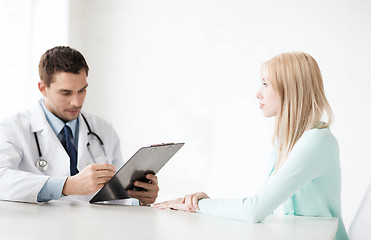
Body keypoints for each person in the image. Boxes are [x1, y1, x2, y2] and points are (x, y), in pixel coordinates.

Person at [154, 52, 348, 240]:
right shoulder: (284, 143)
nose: (258, 93)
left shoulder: (317, 142)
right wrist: (205, 204)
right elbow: (264, 207)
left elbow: (255, 210)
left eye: (265, 84)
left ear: (289, 89)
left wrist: (198, 205)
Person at [0, 46, 158, 205]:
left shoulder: (103, 129)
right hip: (39, 227)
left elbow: (115, 195)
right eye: (66, 93)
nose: (76, 102)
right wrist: (67, 186)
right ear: (43, 88)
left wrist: (138, 198)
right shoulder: (13, 129)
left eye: (82, 91)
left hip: (94, 227)